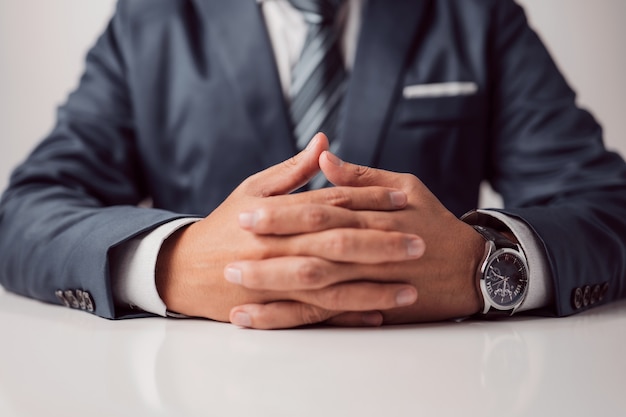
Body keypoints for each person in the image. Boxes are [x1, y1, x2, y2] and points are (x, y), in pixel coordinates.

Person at [0, 0, 625, 329]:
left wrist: (484, 267)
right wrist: (172, 263)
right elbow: (26, 213)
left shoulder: (477, 13)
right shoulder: (151, 20)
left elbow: (606, 204)